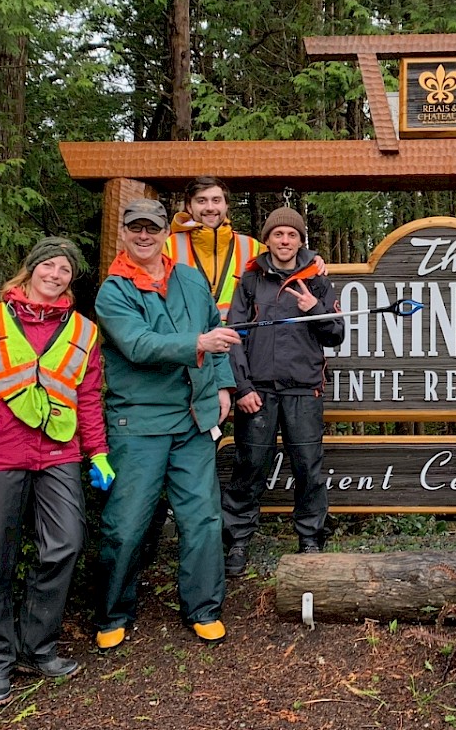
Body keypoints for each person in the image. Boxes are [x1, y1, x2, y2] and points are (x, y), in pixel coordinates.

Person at [92, 199, 241, 649]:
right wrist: (198, 342)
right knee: (126, 524)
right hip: (137, 423)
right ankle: (113, 612)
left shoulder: (191, 279)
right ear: (124, 234)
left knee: (202, 518)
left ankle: (203, 608)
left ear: (164, 233)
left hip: (194, 419)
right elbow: (138, 344)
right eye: (135, 228)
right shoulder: (113, 290)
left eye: (151, 229)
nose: (144, 236)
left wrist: (223, 385)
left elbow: (217, 332)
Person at [0, 237, 106, 708]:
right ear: (28, 271)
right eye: (47, 265)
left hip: (59, 452)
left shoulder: (84, 330)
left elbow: (87, 396)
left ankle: (36, 645)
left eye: (64, 269)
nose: (55, 274)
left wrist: (98, 453)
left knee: (66, 542)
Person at [222, 207, 345, 575]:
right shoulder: (250, 280)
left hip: (304, 391)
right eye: (278, 235)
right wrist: (242, 386)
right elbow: (234, 337)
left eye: (292, 235)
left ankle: (310, 538)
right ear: (268, 239)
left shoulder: (317, 280)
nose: (285, 241)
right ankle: (237, 542)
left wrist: (317, 308)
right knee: (249, 467)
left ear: (300, 240)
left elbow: (336, 334)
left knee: (309, 468)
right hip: (257, 392)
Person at [165, 176, 266, 319]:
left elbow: (287, 262)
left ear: (226, 205)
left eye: (216, 200)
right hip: (189, 336)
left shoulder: (252, 247)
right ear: (189, 206)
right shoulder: (168, 246)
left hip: (238, 335)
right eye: (201, 201)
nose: (210, 208)